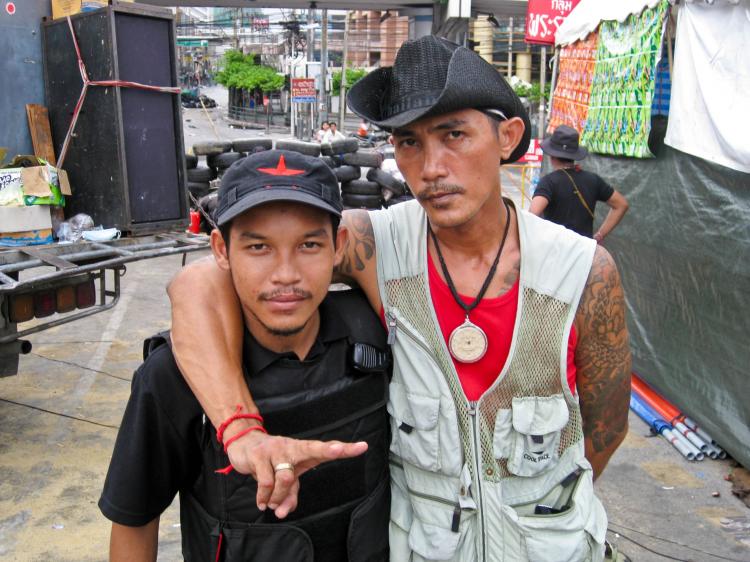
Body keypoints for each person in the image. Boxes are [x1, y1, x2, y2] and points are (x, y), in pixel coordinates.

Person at [168, 36, 632, 561]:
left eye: (454, 134)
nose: (431, 168)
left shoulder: (581, 271)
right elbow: (203, 281)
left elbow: (606, 430)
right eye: (408, 142)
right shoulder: (377, 245)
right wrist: (243, 431)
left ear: (508, 136)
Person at [100, 150, 392, 561]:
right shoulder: (174, 375)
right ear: (221, 250)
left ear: (338, 246)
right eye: (258, 247)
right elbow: (134, 518)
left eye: (309, 244)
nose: (285, 274)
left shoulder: (375, 335)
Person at [530, 125, 630, 242]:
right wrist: (599, 235)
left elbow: (532, 215)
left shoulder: (548, 182)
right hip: (585, 253)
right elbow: (622, 204)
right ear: (574, 155)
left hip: (555, 251)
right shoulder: (593, 180)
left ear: (552, 155)